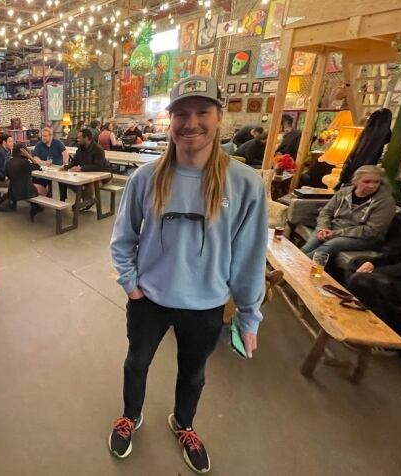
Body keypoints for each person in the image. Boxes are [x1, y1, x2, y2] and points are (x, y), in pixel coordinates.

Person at [108, 75, 267, 473]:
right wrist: (131, 284)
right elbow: (122, 238)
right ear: (171, 119)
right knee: (136, 364)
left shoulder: (245, 183)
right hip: (150, 301)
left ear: (218, 117)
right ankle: (131, 415)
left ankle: (184, 423)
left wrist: (249, 315)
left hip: (206, 304)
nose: (190, 122)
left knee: (193, 374)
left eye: (202, 112)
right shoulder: (146, 178)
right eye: (181, 113)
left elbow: (249, 256)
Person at [347, 180, 401, 371]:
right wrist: (374, 262)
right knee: (357, 263)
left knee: (366, 279)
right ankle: (358, 322)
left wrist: (376, 271)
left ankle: (383, 339)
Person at [301, 165, 395, 258]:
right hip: (334, 228)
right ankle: (292, 264)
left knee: (331, 245)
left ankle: (301, 267)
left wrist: (335, 234)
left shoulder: (385, 201)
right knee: (310, 245)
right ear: (356, 181)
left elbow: (371, 230)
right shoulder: (344, 192)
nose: (372, 185)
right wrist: (323, 228)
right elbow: (326, 212)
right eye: (366, 181)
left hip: (366, 237)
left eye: (376, 182)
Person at [69, 128, 110, 212]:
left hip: (103, 176)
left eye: (79, 137)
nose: (77, 139)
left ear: (86, 138)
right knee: (70, 182)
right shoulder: (80, 148)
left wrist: (81, 168)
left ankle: (89, 201)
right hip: (86, 175)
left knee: (89, 184)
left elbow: (99, 167)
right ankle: (89, 200)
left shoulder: (98, 149)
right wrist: (66, 167)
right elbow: (74, 162)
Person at [6, 144, 47, 220]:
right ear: (23, 152)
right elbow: (38, 166)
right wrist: (28, 156)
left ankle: (35, 207)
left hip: (13, 190)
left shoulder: (9, 162)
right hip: (25, 191)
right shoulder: (25, 162)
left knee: (33, 185)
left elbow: (7, 176)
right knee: (43, 189)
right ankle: (36, 207)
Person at [32, 127, 69, 200]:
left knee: (63, 179)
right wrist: (44, 162)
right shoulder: (39, 144)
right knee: (37, 179)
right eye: (42, 136)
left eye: (45, 136)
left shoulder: (57, 143)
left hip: (58, 167)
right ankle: (42, 196)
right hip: (45, 169)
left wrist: (65, 164)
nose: (43, 138)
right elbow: (35, 158)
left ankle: (62, 198)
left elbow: (65, 153)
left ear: (51, 136)